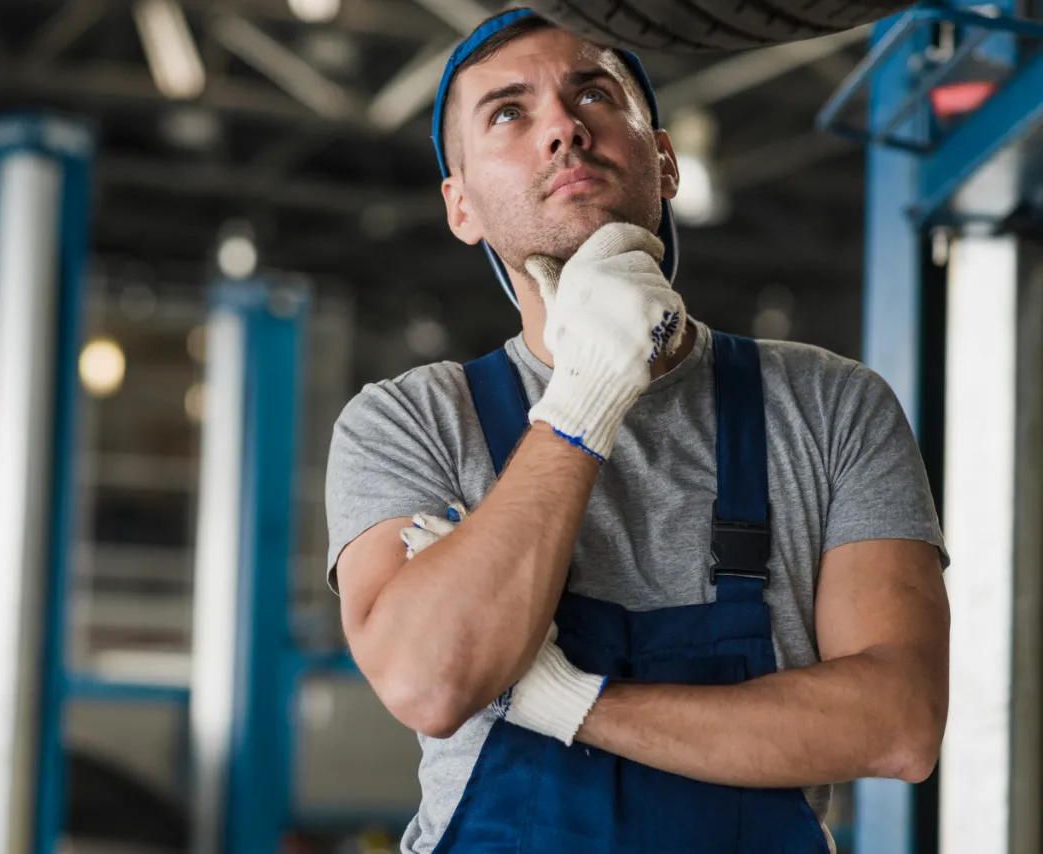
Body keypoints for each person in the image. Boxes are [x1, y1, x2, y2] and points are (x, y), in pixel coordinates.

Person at [324, 8, 950, 853]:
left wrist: (571, 705)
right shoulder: (410, 421)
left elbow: (898, 724)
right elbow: (430, 682)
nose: (562, 128)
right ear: (460, 206)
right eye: (508, 113)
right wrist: (585, 398)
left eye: (593, 94)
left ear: (664, 160)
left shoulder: (830, 406)